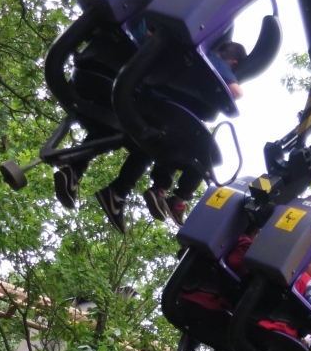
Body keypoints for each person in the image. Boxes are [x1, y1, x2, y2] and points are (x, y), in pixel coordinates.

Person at [53, 40, 246, 232]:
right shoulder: (215, 63)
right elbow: (236, 92)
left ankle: (81, 174)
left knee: (141, 142)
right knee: (186, 150)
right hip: (168, 114)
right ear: (233, 63)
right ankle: (162, 193)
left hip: (143, 101)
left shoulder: (186, 53)